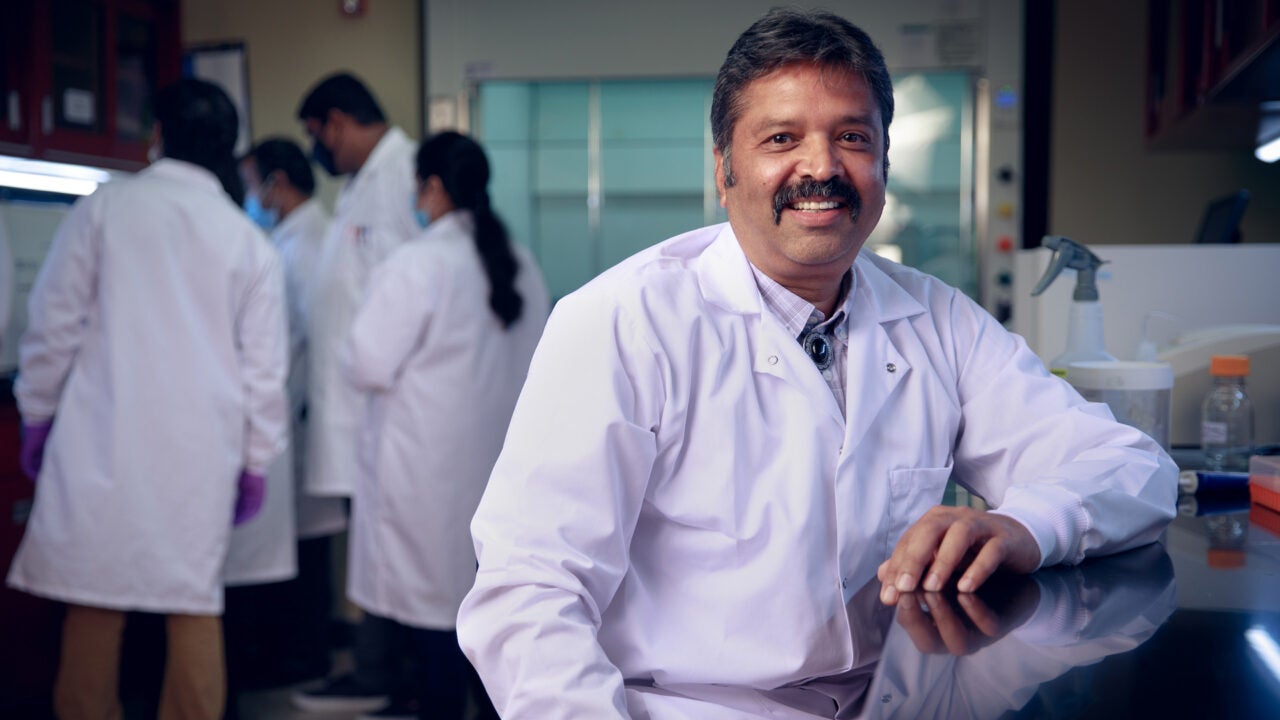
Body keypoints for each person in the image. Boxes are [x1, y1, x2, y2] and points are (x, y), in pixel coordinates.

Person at [455, 8, 1178, 717]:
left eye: (853, 137)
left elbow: (1134, 469)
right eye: (780, 137)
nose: (822, 167)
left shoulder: (936, 318)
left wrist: (1025, 525)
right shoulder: (621, 323)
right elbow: (528, 592)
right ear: (724, 169)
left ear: (884, 166)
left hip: (897, 698)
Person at [5, 78, 288, 720]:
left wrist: (38, 415)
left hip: (102, 443)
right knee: (192, 603)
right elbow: (263, 372)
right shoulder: (247, 240)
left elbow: (51, 327)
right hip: (199, 455)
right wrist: (256, 461)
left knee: (94, 598)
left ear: (157, 135)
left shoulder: (106, 209)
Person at [341, 131, 549, 720]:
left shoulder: (419, 262)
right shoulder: (519, 260)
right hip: (499, 466)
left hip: (427, 471)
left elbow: (364, 361)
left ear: (431, 187)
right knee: (487, 611)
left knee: (436, 612)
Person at [290, 72, 421, 716]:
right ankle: (376, 666)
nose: (320, 148)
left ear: (336, 122)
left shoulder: (402, 177)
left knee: (389, 544)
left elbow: (411, 293)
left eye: (317, 135)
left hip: (387, 402)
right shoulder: (358, 187)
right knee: (373, 545)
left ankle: (385, 672)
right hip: (356, 401)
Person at [221, 139, 348, 695]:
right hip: (293, 418)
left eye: (254, 185)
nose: (252, 197)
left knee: (304, 553)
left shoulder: (307, 244)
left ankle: (302, 656)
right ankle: (296, 652)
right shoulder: (291, 240)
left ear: (277, 182)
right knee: (295, 548)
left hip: (300, 419)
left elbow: (303, 344)